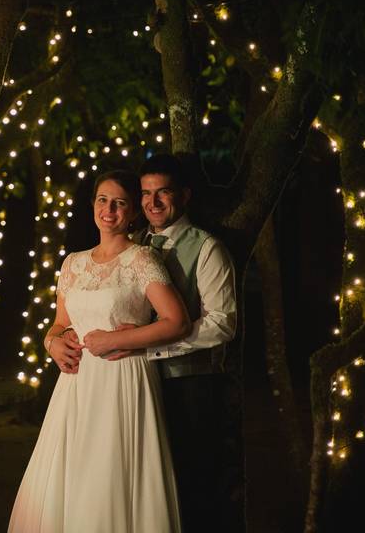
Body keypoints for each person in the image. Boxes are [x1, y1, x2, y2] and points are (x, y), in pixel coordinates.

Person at [8, 170, 190, 533]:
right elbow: (60, 323)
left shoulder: (142, 260)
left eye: (120, 202)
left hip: (123, 379)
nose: (110, 209)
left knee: (110, 473)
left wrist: (118, 339)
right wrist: (51, 343)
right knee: (72, 473)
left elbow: (176, 322)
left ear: (132, 212)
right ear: (93, 205)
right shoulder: (73, 263)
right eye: (103, 200)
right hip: (76, 385)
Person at [131, 153, 241, 532]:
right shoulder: (134, 245)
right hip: (140, 384)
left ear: (185, 195)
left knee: (195, 484)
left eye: (163, 193)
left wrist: (155, 347)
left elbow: (222, 324)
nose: (153, 202)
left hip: (192, 385)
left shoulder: (208, 248)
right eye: (146, 193)